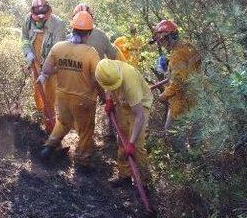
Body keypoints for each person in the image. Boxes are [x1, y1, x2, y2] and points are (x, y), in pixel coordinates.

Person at [38, 11, 103, 170]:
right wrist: (103, 95)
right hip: (83, 99)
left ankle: (48, 148)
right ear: (89, 33)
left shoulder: (58, 47)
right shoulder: (90, 53)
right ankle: (82, 161)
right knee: (86, 130)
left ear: (72, 29)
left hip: (62, 96)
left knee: (63, 122)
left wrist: (49, 75)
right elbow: (98, 78)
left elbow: (46, 70)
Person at [94, 58, 153, 187]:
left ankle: (144, 183)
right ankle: (124, 176)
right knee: (122, 141)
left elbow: (139, 116)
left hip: (140, 107)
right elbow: (108, 86)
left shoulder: (130, 82)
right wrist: (109, 100)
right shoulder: (108, 70)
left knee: (136, 147)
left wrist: (131, 143)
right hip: (123, 104)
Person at [22, 0, 67, 128]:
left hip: (52, 68)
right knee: (38, 96)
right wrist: (28, 53)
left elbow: (57, 52)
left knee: (49, 99)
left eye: (44, 17)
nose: (41, 20)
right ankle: (43, 121)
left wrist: (46, 73)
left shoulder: (58, 25)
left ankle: (52, 130)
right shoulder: (28, 20)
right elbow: (24, 38)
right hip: (35, 63)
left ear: (49, 12)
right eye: (38, 17)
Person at [151, 20, 201, 129]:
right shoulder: (188, 46)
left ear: (169, 37)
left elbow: (179, 82)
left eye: (163, 41)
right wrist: (169, 68)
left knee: (171, 133)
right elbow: (191, 67)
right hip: (197, 94)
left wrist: (164, 95)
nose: (163, 45)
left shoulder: (177, 57)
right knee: (196, 133)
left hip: (182, 100)